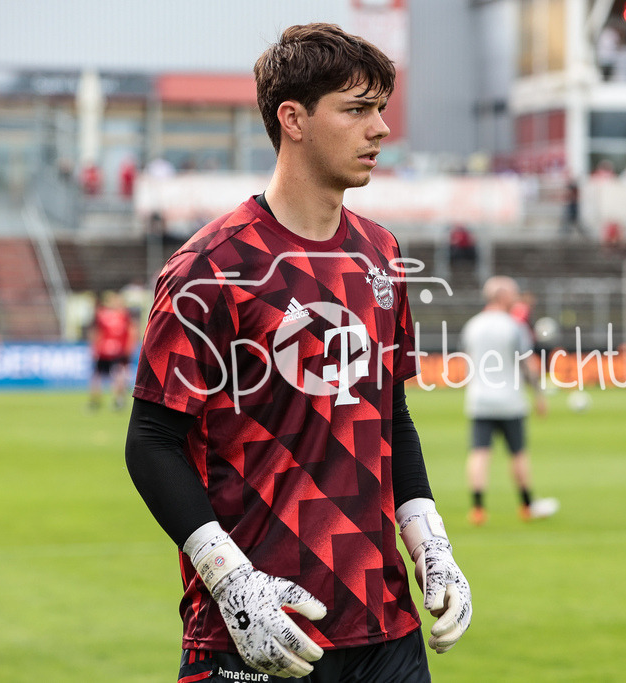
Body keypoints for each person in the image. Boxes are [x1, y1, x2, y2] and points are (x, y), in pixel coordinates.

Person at [124, 24, 471, 683]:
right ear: (294, 119)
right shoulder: (210, 266)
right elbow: (151, 441)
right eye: (357, 109)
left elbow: (390, 416)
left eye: (380, 108)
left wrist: (430, 542)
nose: (380, 129)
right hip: (258, 624)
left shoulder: (383, 253)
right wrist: (231, 581)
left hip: (384, 625)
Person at [461, 276, 558, 526]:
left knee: (479, 453)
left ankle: (478, 509)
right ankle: (527, 505)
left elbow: (467, 362)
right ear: (502, 296)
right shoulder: (514, 326)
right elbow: (527, 365)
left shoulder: (472, 325)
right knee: (518, 454)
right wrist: (538, 394)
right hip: (510, 400)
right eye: (513, 293)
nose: (516, 298)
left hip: (480, 399)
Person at [88, 292, 134, 410]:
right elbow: (132, 331)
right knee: (118, 375)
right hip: (118, 350)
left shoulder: (101, 314)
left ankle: (95, 402)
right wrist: (129, 347)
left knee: (98, 375)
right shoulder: (123, 315)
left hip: (104, 350)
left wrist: (94, 347)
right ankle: (118, 401)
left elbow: (96, 332)